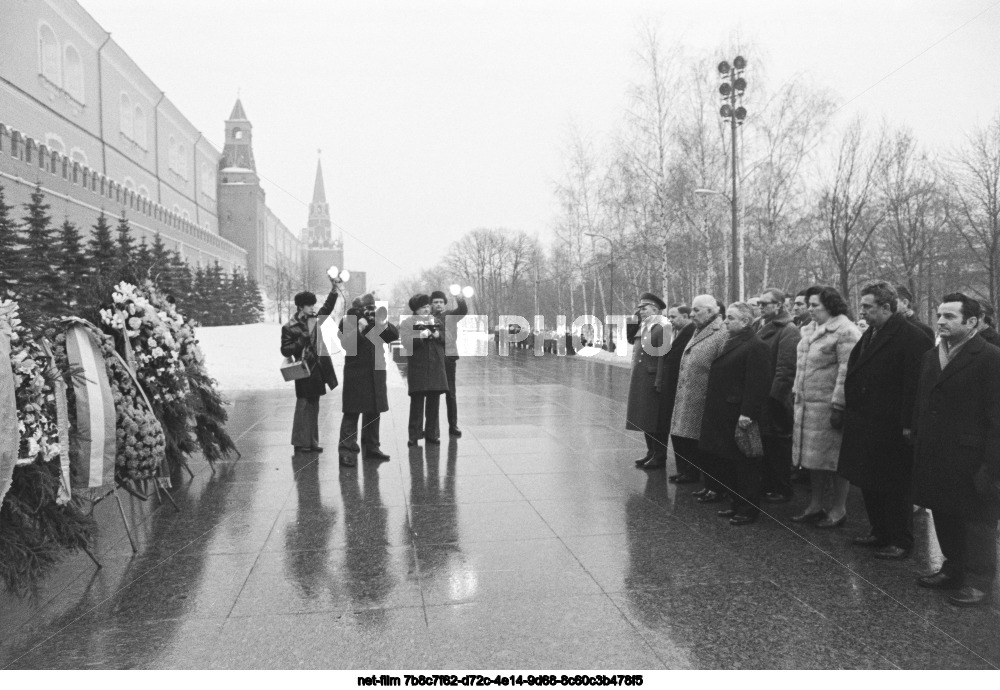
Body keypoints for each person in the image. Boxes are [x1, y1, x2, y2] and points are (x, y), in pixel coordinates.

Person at [912, 293, 1000, 607]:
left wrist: (991, 468)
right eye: (939, 315)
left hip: (973, 457)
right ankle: (954, 568)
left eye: (950, 316)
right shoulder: (932, 356)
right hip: (937, 454)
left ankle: (978, 581)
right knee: (944, 512)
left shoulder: (990, 357)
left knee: (978, 522)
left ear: (973, 322)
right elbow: (922, 403)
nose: (940, 321)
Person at [837, 282, 933, 559]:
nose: (862, 311)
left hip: (891, 425)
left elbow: (916, 385)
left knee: (894, 484)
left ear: (887, 308)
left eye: (868, 306)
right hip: (867, 421)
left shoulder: (913, 337)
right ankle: (879, 531)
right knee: (870, 480)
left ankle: (900, 540)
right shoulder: (872, 333)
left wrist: (908, 424)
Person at [790, 286, 861, 528]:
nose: (810, 309)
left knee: (835, 461)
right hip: (807, 407)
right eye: (808, 305)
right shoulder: (808, 330)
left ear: (830, 305)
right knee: (813, 460)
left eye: (815, 305)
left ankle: (839, 509)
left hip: (829, 409)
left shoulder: (846, 331)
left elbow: (846, 372)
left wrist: (838, 406)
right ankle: (815, 505)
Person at [699, 302, 770, 525]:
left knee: (745, 465)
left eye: (730, 318)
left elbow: (757, 383)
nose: (726, 321)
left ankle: (748, 509)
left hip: (739, 413)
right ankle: (736, 504)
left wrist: (748, 413)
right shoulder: (734, 340)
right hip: (724, 412)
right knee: (730, 462)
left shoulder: (756, 346)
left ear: (745, 322)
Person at [670, 294, 729, 502]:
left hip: (706, 400)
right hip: (691, 397)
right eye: (692, 310)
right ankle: (709, 485)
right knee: (699, 447)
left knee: (710, 448)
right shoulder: (699, 330)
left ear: (711, 312)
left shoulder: (721, 333)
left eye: (697, 310)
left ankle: (716, 487)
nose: (692, 314)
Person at [280, 274, 342, 454]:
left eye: (313, 305)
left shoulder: (315, 319)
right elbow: (285, 349)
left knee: (314, 406)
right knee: (303, 406)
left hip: (318, 369)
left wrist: (334, 290)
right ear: (300, 307)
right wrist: (301, 339)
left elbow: (328, 307)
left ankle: (312, 442)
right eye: (309, 305)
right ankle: (300, 443)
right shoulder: (289, 327)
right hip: (302, 370)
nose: (312, 308)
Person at [337, 293, 400, 467]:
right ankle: (346, 451)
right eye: (368, 308)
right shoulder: (349, 320)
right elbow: (347, 345)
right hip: (356, 375)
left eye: (373, 307)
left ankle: (372, 447)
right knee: (352, 413)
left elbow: (394, 335)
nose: (371, 311)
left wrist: (381, 323)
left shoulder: (376, 323)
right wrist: (358, 328)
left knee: (374, 412)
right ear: (359, 308)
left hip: (376, 374)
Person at [756, 288, 801, 504]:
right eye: (760, 303)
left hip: (774, 399)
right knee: (766, 442)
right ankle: (768, 484)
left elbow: (786, 369)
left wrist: (774, 398)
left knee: (778, 445)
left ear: (779, 305)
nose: (761, 306)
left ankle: (783, 488)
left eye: (766, 303)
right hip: (762, 394)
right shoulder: (760, 325)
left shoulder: (788, 330)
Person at [626, 293, 672, 470]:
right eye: (639, 309)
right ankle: (651, 452)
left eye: (644, 309)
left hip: (652, 378)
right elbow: (631, 340)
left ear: (655, 309)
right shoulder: (645, 325)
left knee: (656, 420)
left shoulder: (662, 327)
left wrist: (660, 380)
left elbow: (663, 357)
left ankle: (659, 455)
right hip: (642, 378)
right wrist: (633, 318)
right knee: (645, 418)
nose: (640, 312)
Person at [400, 293, 449, 447]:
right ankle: (414, 435)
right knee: (417, 404)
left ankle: (432, 434)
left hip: (435, 367)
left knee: (434, 404)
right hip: (418, 368)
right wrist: (420, 336)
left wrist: (437, 334)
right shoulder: (408, 322)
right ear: (416, 309)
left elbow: (449, 338)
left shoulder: (436, 321)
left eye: (428, 306)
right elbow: (406, 342)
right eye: (423, 307)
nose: (426, 309)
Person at [662, 305, 698, 483]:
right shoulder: (678, 332)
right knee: (676, 431)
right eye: (669, 317)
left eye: (674, 317)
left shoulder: (691, 332)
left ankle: (689, 471)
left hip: (682, 387)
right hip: (675, 387)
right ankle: (682, 469)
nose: (670, 320)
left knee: (684, 432)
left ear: (686, 316)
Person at [430, 289, 469, 437]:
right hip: (433, 359)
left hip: (448, 358)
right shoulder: (428, 317)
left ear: (444, 303)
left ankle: (453, 425)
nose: (438, 304)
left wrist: (459, 297)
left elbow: (463, 310)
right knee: (433, 394)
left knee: (450, 394)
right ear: (431, 304)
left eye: (441, 302)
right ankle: (433, 428)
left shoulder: (450, 316)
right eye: (436, 302)